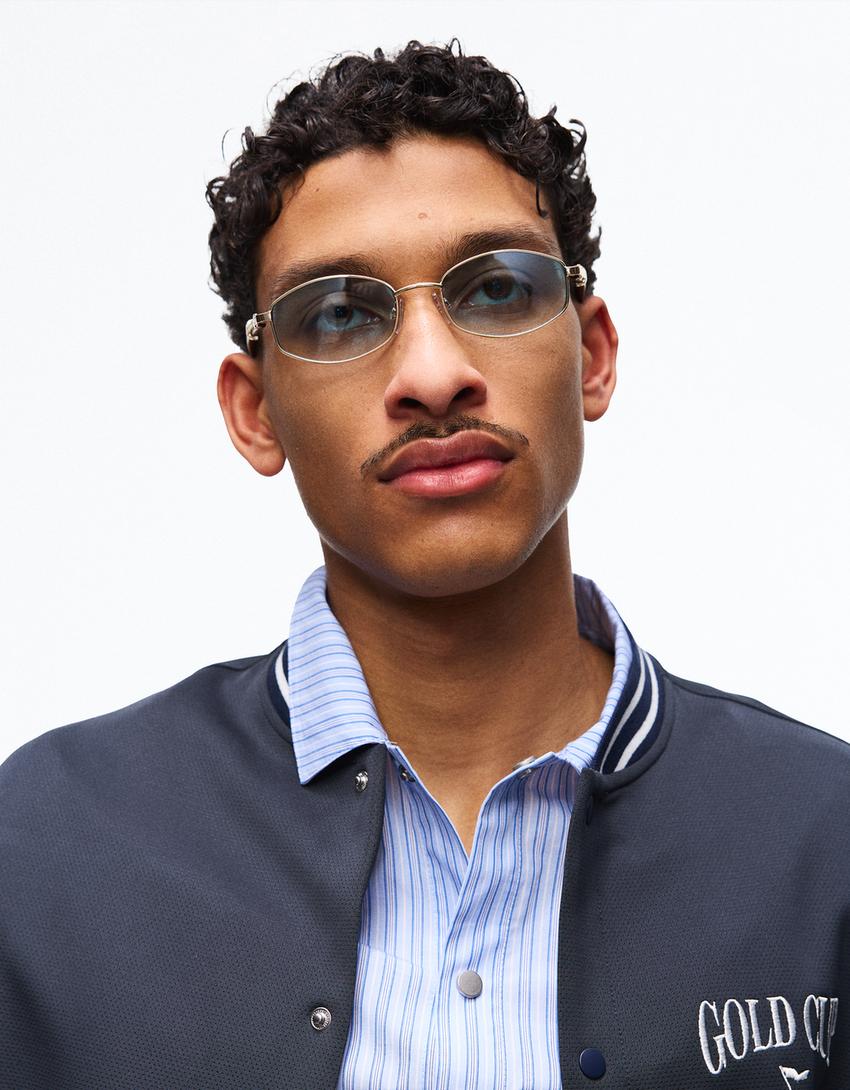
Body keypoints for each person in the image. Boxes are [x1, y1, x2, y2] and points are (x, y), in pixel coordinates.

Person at [1, 37, 847, 1090]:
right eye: (339, 313)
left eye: (495, 289)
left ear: (590, 355)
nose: (435, 375)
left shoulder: (824, 838)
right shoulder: (45, 850)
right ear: (255, 413)